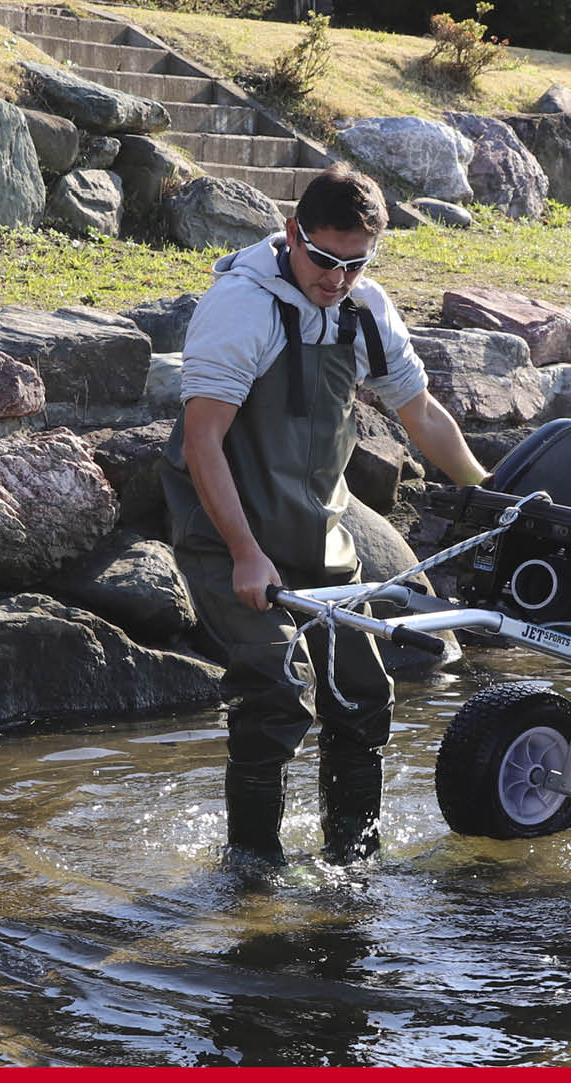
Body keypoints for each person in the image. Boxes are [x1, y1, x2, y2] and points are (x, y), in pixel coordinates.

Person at [162, 163, 487, 868]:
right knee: (278, 691)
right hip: (227, 535)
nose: (336, 277)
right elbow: (201, 440)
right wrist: (246, 552)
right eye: (324, 259)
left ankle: (352, 860)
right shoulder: (241, 306)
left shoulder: (365, 308)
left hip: (319, 532)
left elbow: (422, 414)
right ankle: (251, 871)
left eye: (354, 263)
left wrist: (490, 493)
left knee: (363, 692)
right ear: (292, 234)